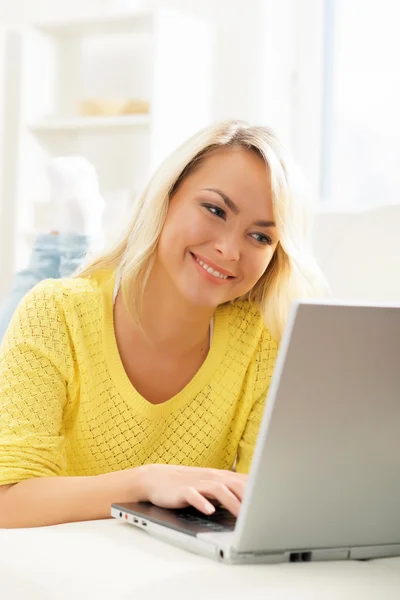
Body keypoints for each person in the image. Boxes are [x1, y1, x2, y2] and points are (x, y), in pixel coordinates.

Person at [0, 120, 327, 528]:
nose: (229, 250)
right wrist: (145, 481)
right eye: (215, 210)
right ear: (167, 198)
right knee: (38, 284)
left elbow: (256, 503)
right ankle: (75, 231)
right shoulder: (55, 313)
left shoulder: (263, 343)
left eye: (260, 238)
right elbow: (6, 502)